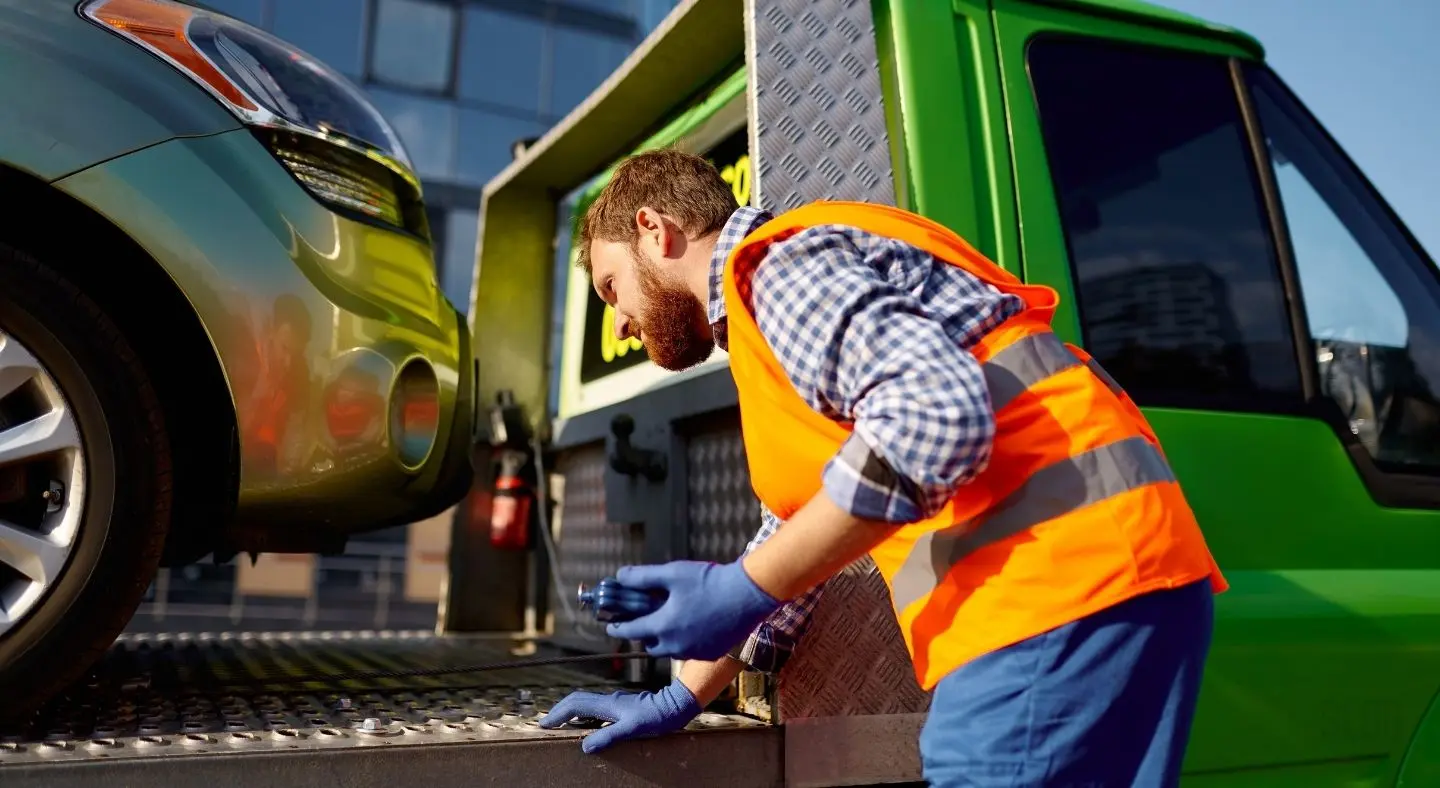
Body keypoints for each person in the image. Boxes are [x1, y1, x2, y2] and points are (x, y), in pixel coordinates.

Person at [538, 149, 1227, 786]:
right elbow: (807, 527)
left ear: (656, 229)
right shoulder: (778, 309)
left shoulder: (777, 271)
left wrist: (743, 588)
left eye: (610, 286)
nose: (621, 322)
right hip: (1117, 579)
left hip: (1047, 594)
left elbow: (933, 416)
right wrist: (683, 691)